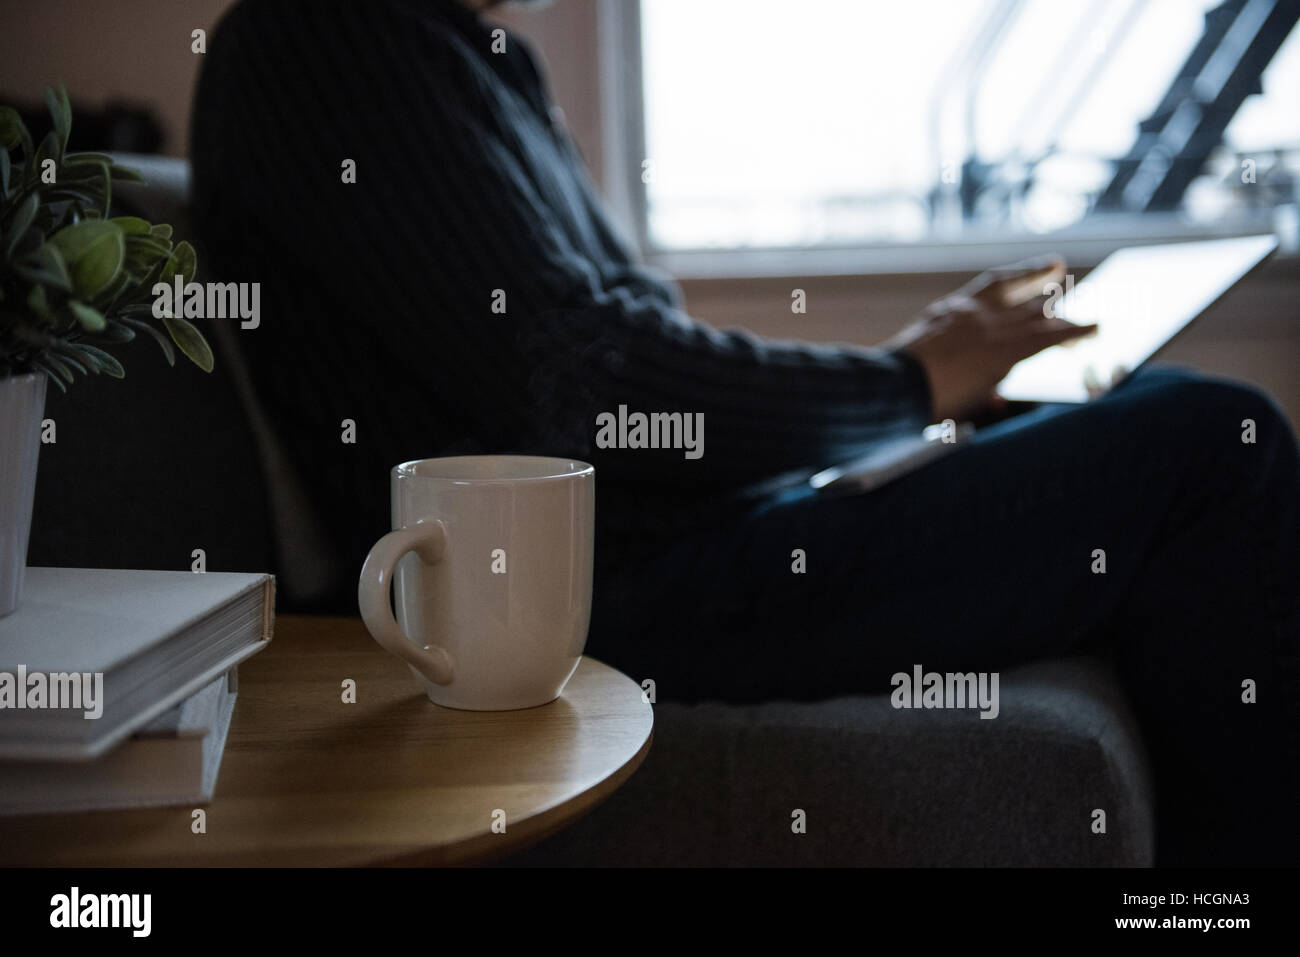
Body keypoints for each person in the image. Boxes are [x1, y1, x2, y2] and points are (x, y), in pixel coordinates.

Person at [192, 0, 1299, 866]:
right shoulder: (327, 35)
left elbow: (608, 347)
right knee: (1212, 442)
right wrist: (907, 380)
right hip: (602, 589)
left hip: (695, 531)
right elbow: (582, 379)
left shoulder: (473, 55)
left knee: (1129, 414)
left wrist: (911, 385)